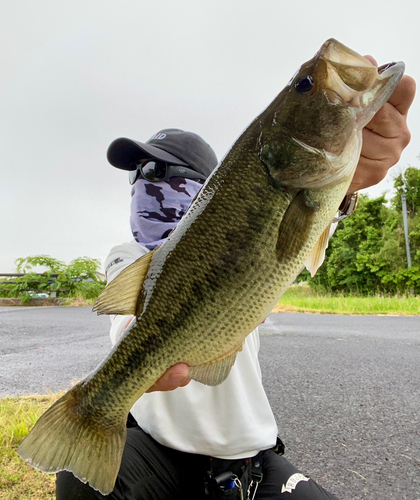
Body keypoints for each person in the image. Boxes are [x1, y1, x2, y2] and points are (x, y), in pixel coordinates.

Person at [56, 69, 415, 499]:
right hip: (155, 451)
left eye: (159, 170)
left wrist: (343, 186)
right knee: (77, 480)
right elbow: (127, 326)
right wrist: (140, 357)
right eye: (136, 174)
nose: (144, 183)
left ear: (210, 185)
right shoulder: (127, 255)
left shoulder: (252, 227)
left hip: (251, 457)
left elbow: (294, 234)